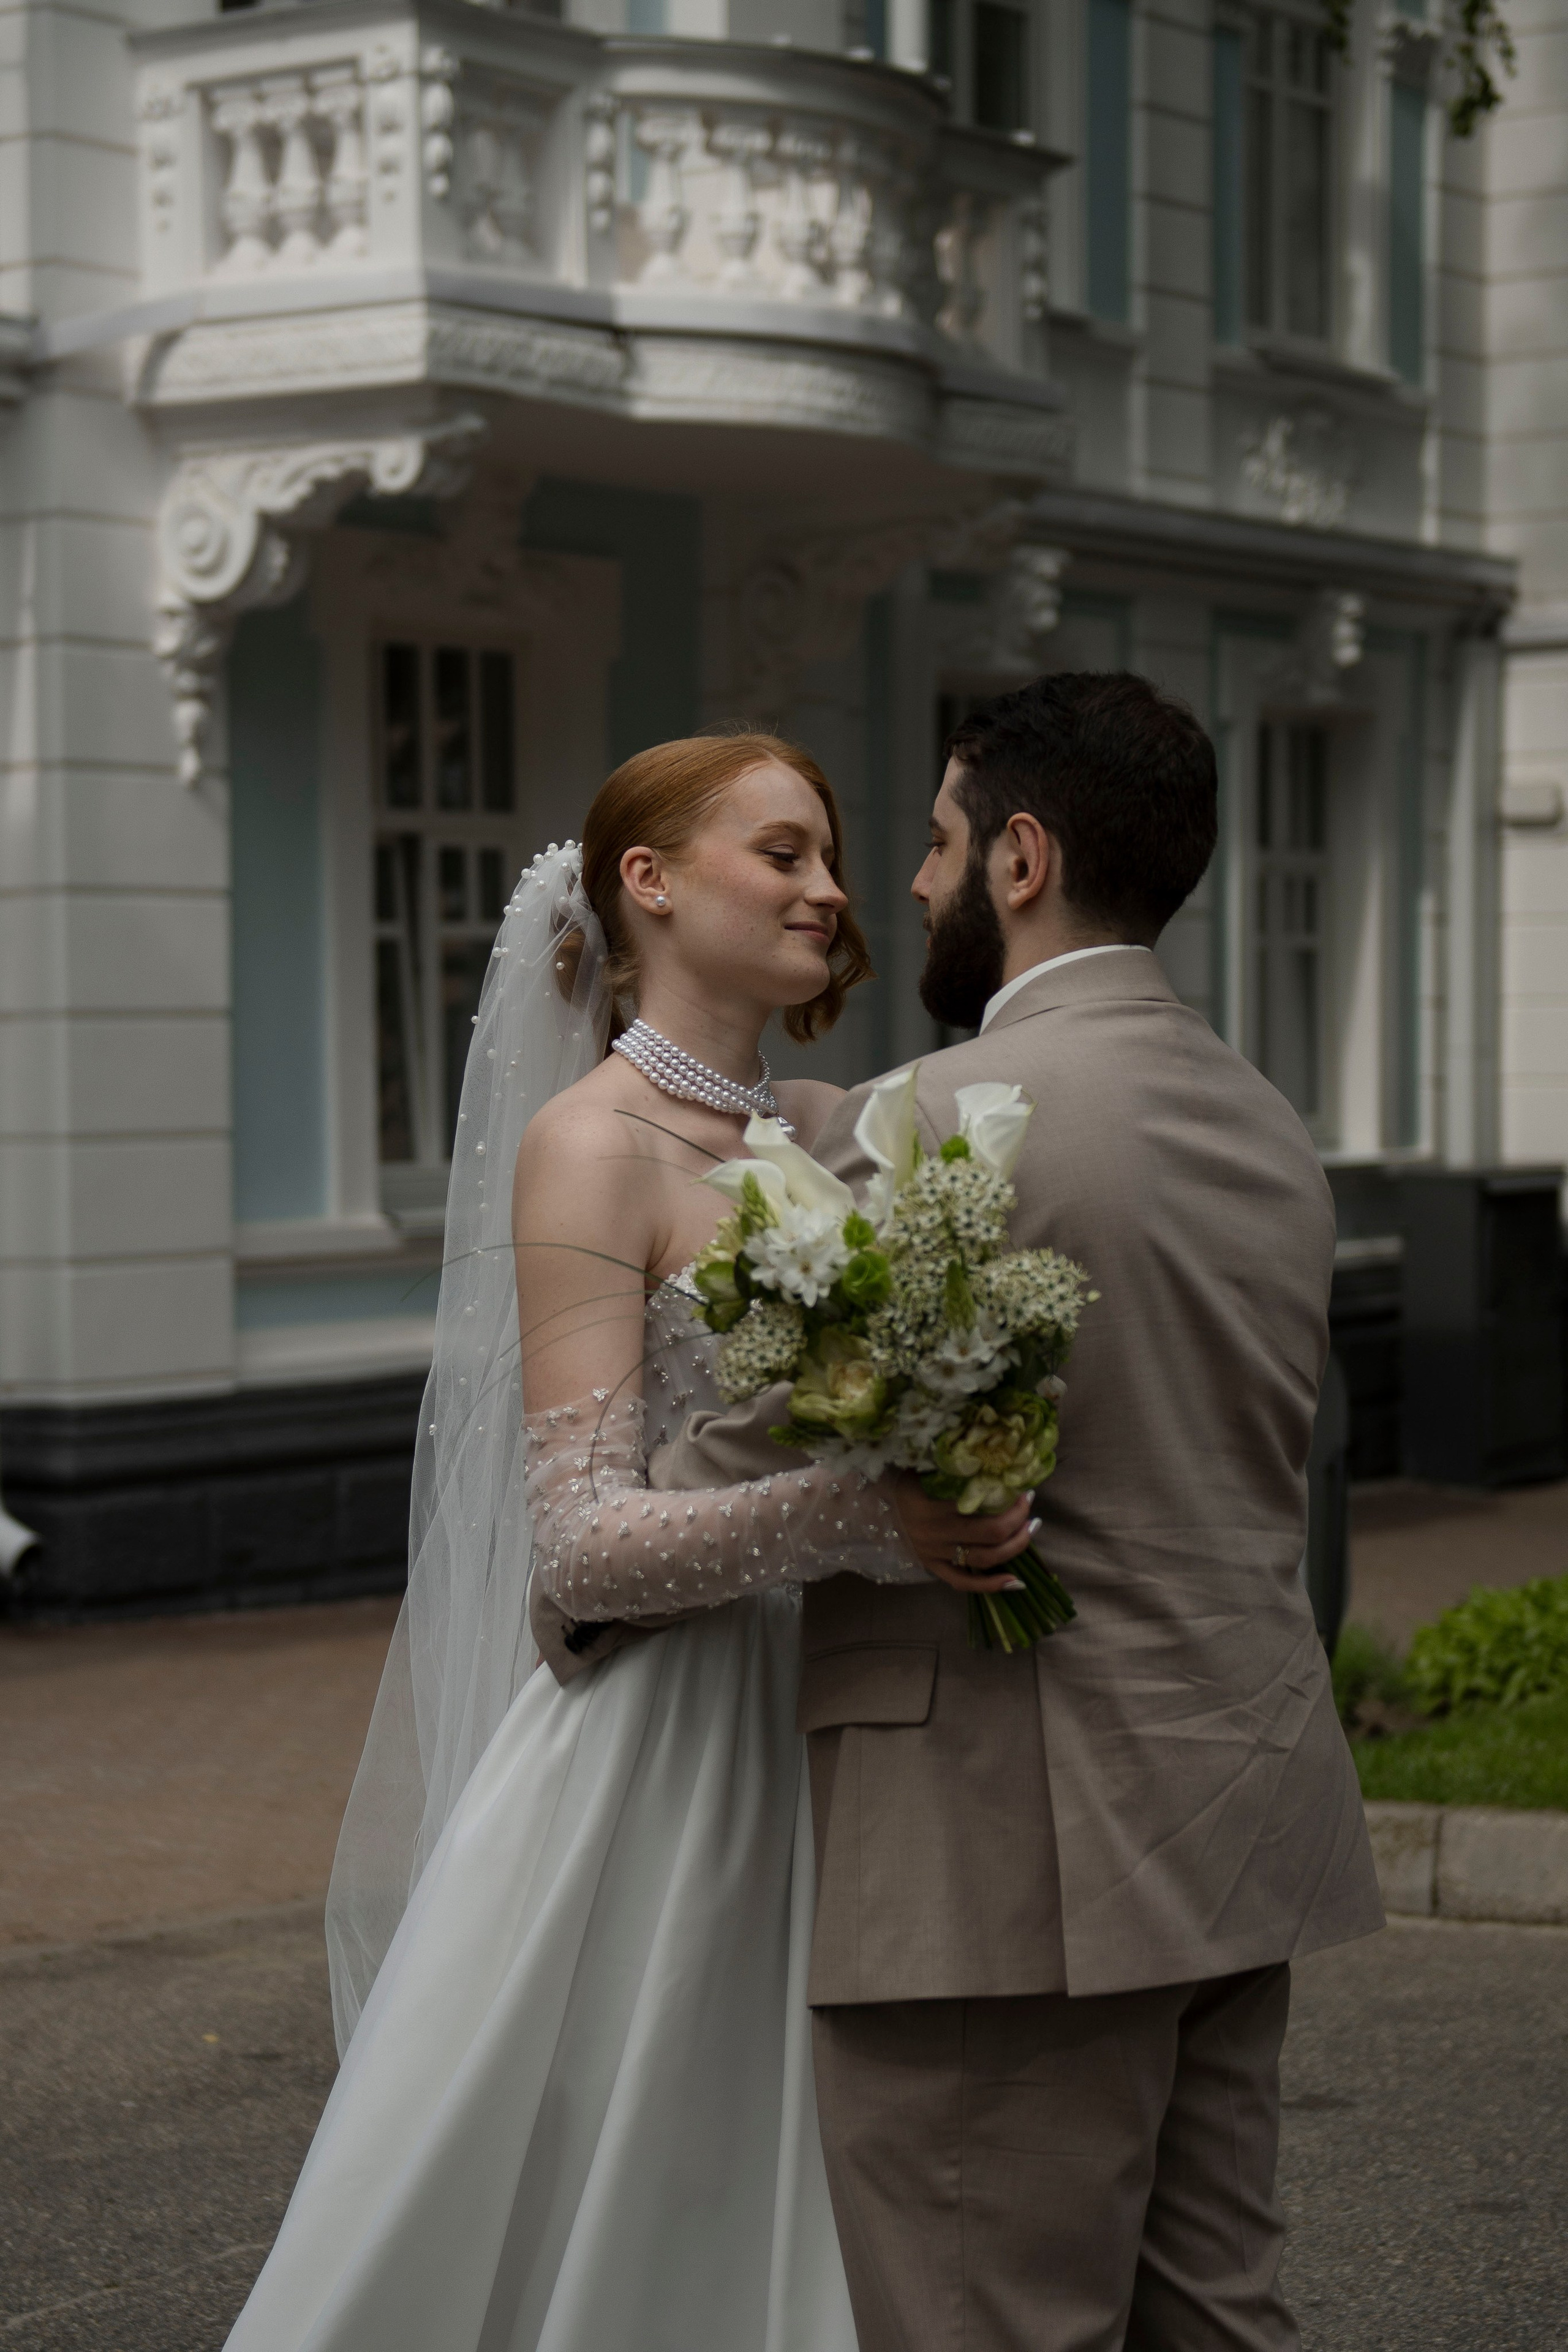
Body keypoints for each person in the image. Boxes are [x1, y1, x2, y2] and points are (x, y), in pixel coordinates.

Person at [221, 731, 1025, 2352]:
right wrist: (868, 1516)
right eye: (783, 853)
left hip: (839, 1729)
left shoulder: (821, 1131)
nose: (830, 889)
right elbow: (579, 1547)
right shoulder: (591, 1144)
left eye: (832, 858)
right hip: (667, 1747)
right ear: (646, 885)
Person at [639, 675, 1385, 2352]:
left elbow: (762, 1431)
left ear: (1022, 858)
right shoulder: (1268, 1125)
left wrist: (575, 1581)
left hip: (1009, 1860)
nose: (905, 883)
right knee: (1215, 2315)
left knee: (988, 2321)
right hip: (1237, 1807)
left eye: (934, 841)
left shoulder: (959, 1124)